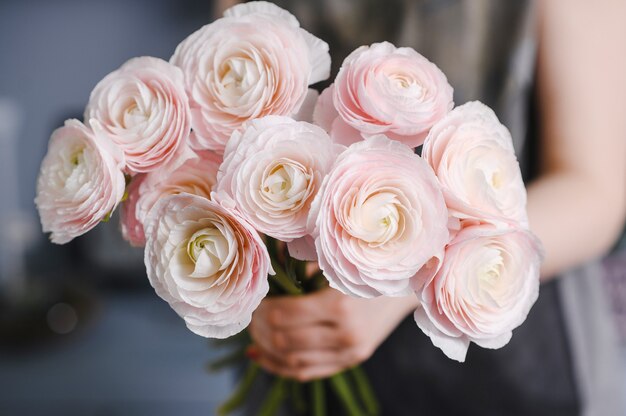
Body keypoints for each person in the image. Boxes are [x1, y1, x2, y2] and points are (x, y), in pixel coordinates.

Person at [242, 0, 626, 414]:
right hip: (301, 345)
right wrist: (258, 287)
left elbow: (593, 191)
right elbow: (238, 147)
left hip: (513, 364)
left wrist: (397, 279)